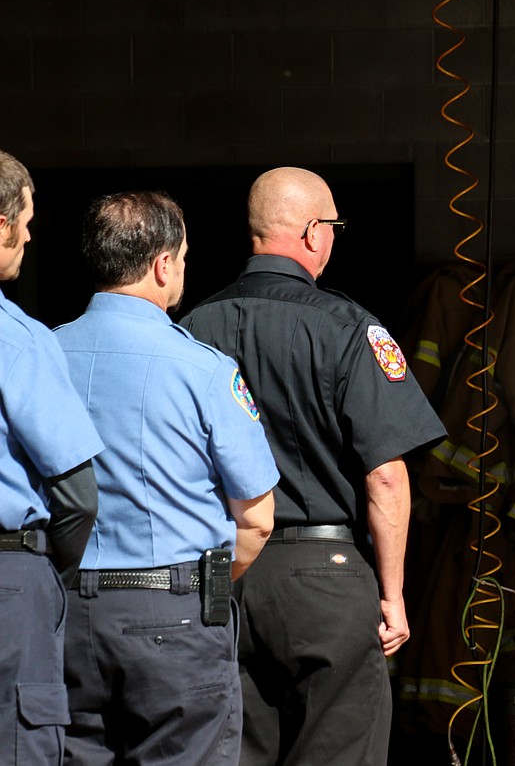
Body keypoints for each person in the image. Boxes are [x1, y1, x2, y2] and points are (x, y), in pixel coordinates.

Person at [180, 167, 446, 766]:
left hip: (225, 576)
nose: (332, 239)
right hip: (325, 578)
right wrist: (394, 594)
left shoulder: (193, 329)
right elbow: (386, 474)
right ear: (310, 232)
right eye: (332, 226)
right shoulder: (348, 326)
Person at [54, 190, 279, 765]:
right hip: (173, 611)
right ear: (162, 264)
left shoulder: (43, 354)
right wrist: (203, 586)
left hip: (66, 613)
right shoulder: (202, 368)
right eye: (182, 257)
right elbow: (255, 520)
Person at [0, 150, 104, 766]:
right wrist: (45, 571)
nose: (31, 234)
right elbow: (76, 495)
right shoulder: (17, 335)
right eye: (26, 218)